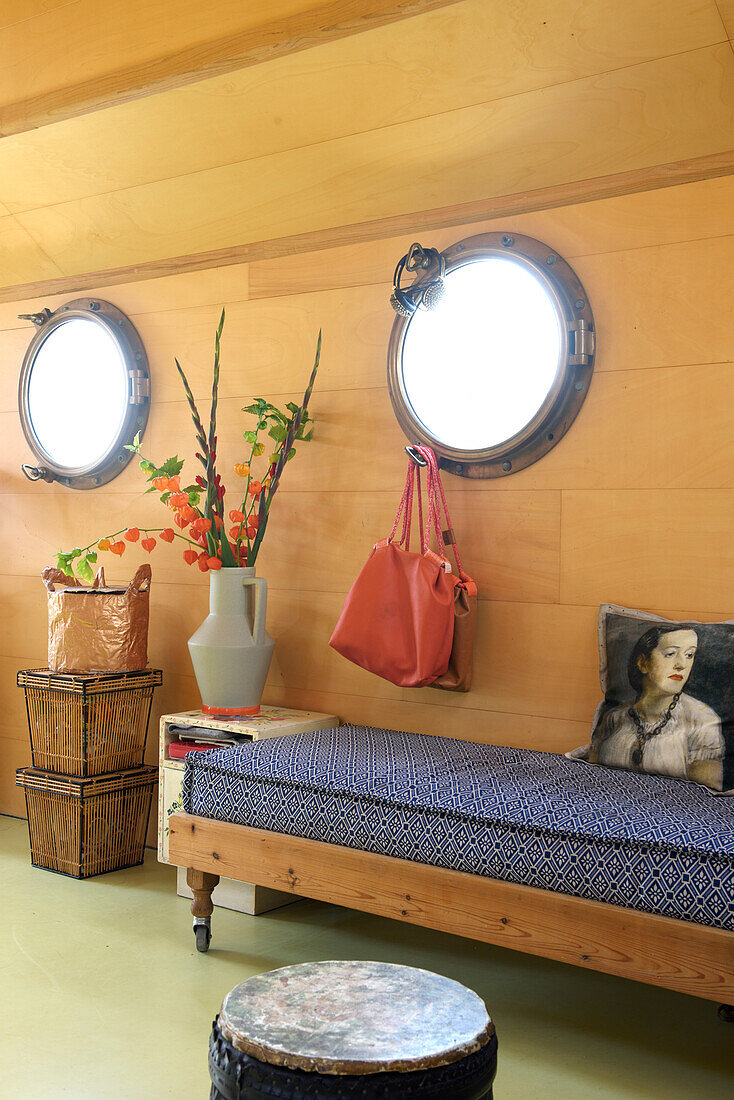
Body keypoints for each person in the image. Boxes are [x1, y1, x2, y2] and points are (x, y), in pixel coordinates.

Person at [589, 624, 725, 790]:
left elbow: (704, 794)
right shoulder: (614, 718)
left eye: (689, 655)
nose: (681, 664)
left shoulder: (702, 719)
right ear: (643, 663)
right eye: (670, 654)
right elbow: (591, 771)